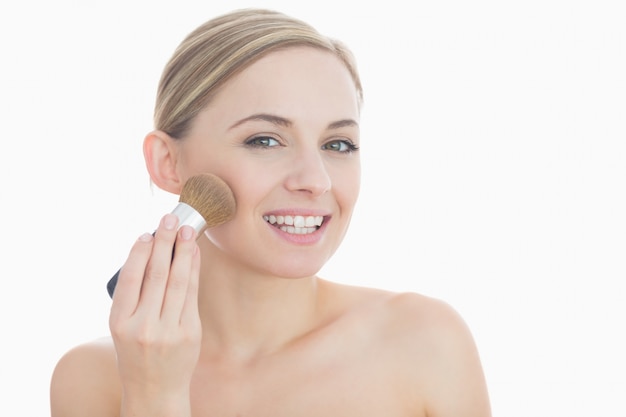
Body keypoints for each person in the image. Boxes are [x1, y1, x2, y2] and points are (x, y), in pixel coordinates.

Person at [50, 8, 491, 417]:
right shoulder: (92, 378)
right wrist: (154, 394)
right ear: (168, 163)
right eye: (265, 140)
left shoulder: (423, 342)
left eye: (338, 145)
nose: (315, 179)